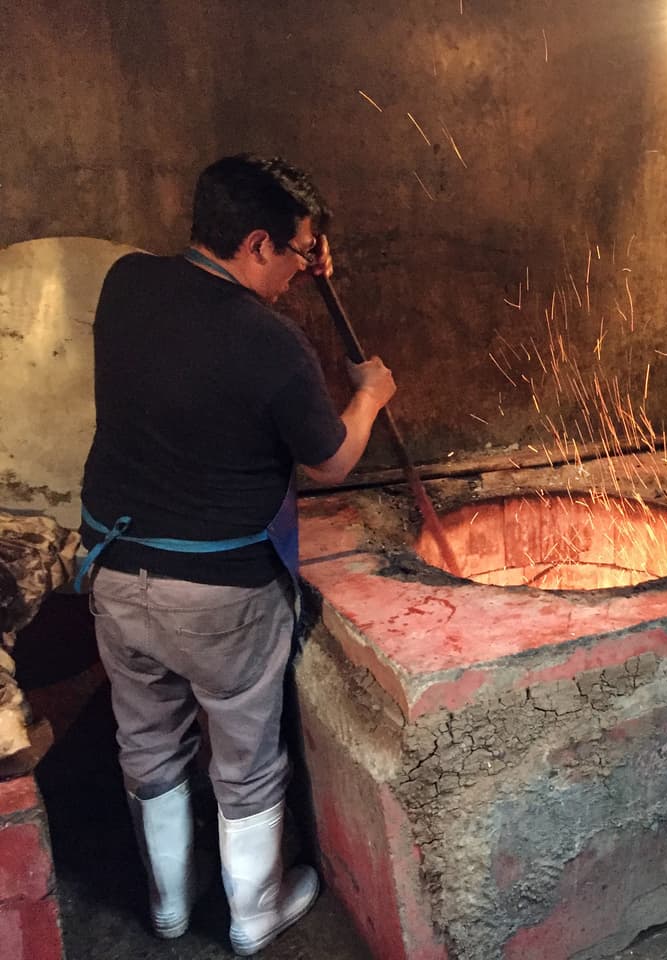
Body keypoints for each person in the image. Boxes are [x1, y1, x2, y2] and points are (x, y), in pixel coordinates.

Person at [78, 154, 397, 955]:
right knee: (247, 757)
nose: (299, 272)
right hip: (221, 593)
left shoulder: (125, 286)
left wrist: (302, 244)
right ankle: (258, 914)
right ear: (257, 243)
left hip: (116, 573)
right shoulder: (271, 343)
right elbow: (329, 462)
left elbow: (198, 296)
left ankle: (170, 908)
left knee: (147, 739)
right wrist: (370, 395)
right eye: (293, 254)